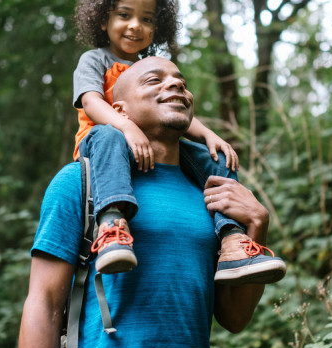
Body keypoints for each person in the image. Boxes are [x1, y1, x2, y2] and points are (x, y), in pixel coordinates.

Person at [19, 57, 280, 348]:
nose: (175, 85)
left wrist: (257, 227)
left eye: (181, 82)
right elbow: (44, 302)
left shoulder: (214, 196)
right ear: (120, 110)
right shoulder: (79, 183)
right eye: (153, 80)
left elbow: (234, 318)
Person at [71, 0, 285, 282]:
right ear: (102, 21)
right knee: (109, 135)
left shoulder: (149, 66)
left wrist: (208, 134)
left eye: (146, 20)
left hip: (150, 146)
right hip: (102, 145)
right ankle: (112, 224)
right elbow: (90, 101)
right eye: (124, 15)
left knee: (214, 157)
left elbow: (172, 109)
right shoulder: (95, 59)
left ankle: (232, 239)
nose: (136, 25)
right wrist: (126, 127)